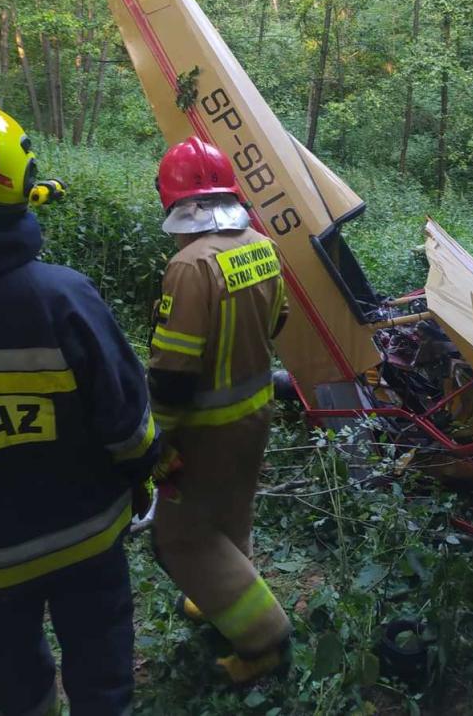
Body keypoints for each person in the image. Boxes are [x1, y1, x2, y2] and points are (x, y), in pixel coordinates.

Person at [0, 98, 159, 716]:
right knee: (100, 654)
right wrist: (142, 474)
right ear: (18, 189)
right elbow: (127, 421)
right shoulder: (63, 297)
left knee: (10, 661)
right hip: (85, 538)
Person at [148, 136, 292, 685]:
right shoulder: (261, 245)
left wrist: (157, 438)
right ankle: (222, 599)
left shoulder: (189, 267)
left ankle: (265, 642)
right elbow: (277, 322)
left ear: (176, 203)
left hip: (205, 430)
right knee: (232, 514)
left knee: (181, 537)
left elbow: (173, 372)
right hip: (255, 414)